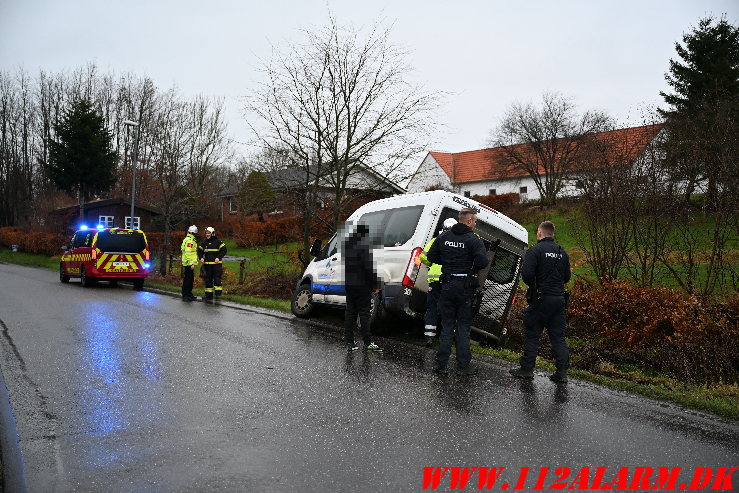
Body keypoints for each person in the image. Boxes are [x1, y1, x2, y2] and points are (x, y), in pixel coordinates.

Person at [426, 208, 488, 375]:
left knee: (446, 326)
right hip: (465, 288)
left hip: (446, 285)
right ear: (468, 221)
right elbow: (483, 261)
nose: (475, 224)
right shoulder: (473, 240)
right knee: (463, 327)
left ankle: (441, 365)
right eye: (474, 221)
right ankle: (463, 366)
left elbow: (431, 257)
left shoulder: (443, 237)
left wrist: (447, 261)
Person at [509, 220, 571, 383]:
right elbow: (567, 277)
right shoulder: (562, 252)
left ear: (540, 233)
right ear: (552, 234)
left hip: (541, 298)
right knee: (558, 337)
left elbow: (527, 274)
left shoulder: (535, 250)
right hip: (559, 299)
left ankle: (527, 369)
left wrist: (536, 285)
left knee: (532, 334)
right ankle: (562, 372)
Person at [342, 223, 383, 352]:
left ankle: (349, 342)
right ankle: (367, 343)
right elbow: (368, 267)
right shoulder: (363, 246)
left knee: (350, 312)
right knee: (364, 314)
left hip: (349, 284)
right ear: (363, 234)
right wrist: (376, 284)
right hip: (362, 285)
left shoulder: (347, 246)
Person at [419, 218, 458, 346]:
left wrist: (434, 261)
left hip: (435, 281)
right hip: (451, 281)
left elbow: (424, 257)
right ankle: (447, 338)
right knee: (449, 309)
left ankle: (429, 337)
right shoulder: (459, 244)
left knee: (433, 308)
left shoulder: (436, 241)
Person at [198, 226, 227, 301]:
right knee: (208, 280)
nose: (207, 235)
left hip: (216, 265)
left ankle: (218, 296)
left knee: (217, 279)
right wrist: (201, 257)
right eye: (206, 233)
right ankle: (208, 296)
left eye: (209, 233)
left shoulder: (218, 242)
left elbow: (224, 250)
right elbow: (199, 250)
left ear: (212, 233)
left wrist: (218, 258)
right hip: (207, 265)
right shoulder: (204, 243)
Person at [181, 225, 199, 301]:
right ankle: (186, 295)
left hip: (188, 263)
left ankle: (189, 294)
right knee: (188, 280)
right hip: (189, 263)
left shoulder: (189, 239)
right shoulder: (190, 241)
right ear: (193, 233)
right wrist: (191, 263)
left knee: (189, 279)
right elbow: (188, 253)